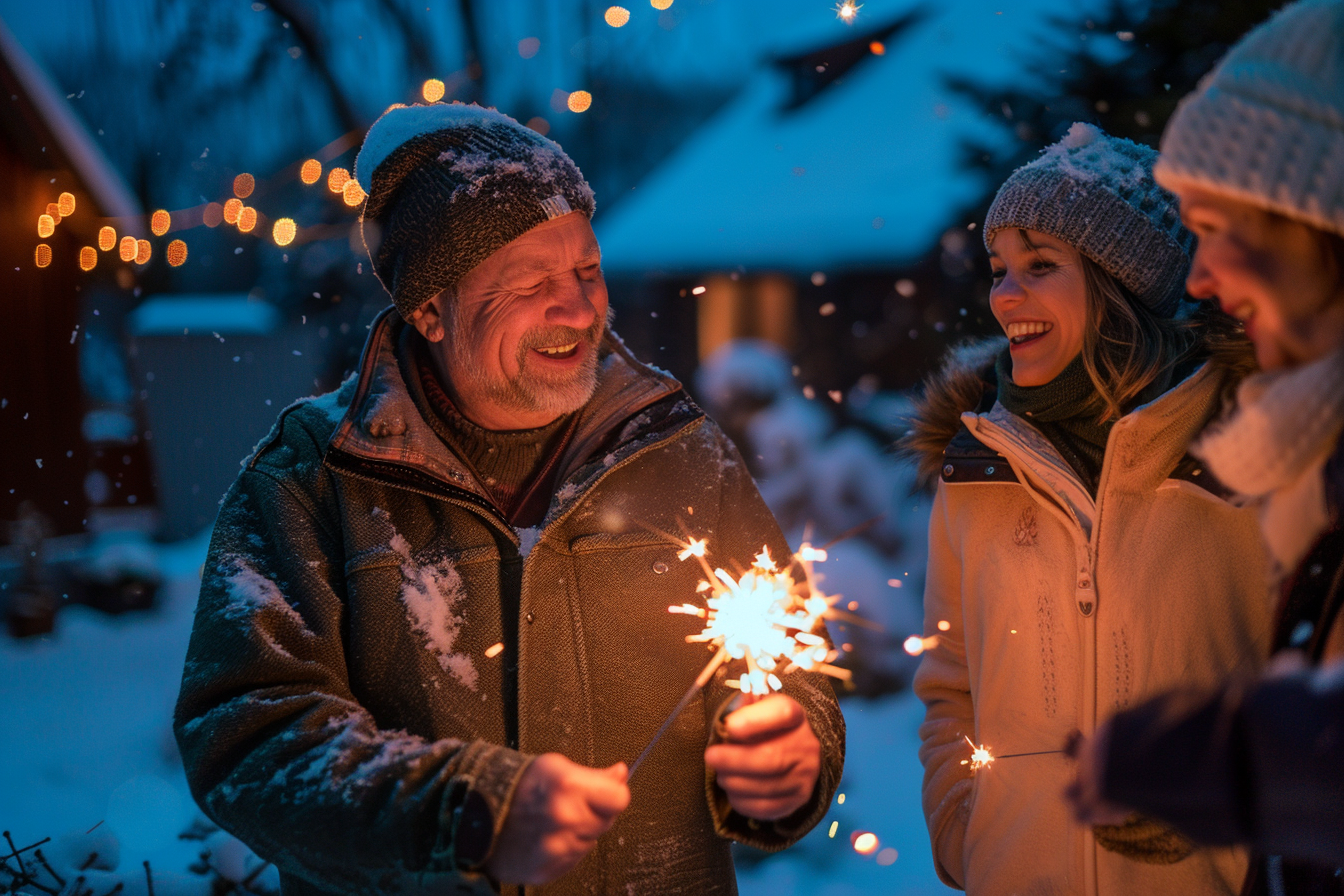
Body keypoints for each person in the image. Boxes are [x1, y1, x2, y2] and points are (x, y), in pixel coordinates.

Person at [173, 103, 844, 896]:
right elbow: (249, 738)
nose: (579, 308)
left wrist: (795, 755)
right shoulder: (312, 482)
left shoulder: (680, 453)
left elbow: (797, 658)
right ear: (429, 309)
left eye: (587, 272)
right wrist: (463, 812)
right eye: (531, 283)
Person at [902, 123, 1275, 895]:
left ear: (1122, 286)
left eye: (1041, 267)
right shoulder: (975, 470)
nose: (1006, 295)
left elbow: (1314, 702)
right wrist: (969, 833)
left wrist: (1222, 796)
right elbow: (950, 688)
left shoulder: (1251, 462)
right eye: (1000, 269)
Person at [1067, 2, 1344, 893]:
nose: (1198, 277)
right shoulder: (1311, 470)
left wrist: (1211, 757)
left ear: (1319, 220)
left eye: (1219, 227)